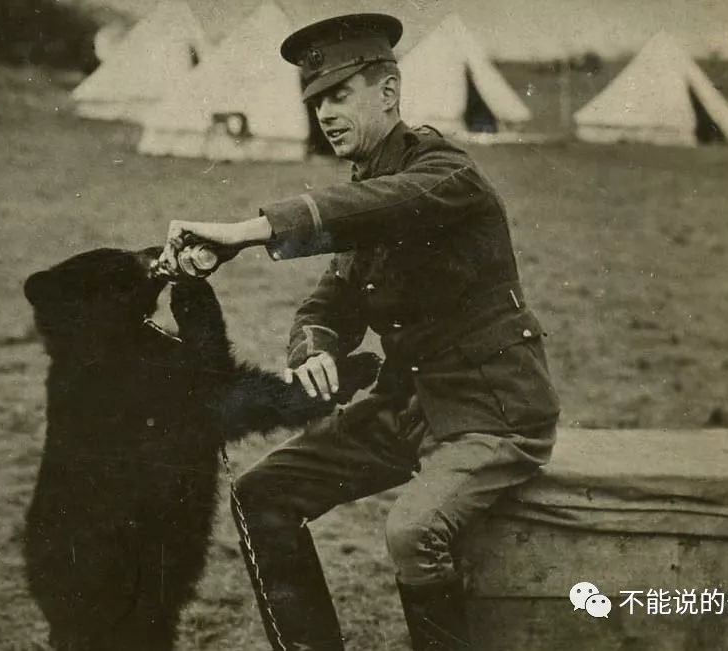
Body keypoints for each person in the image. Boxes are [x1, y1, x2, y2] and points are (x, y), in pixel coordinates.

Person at [159, 13, 561, 651]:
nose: (324, 112)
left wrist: (248, 229)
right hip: (410, 407)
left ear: (390, 92)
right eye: (316, 100)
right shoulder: (369, 186)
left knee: (413, 533)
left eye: (340, 94)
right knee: (260, 495)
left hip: (492, 411)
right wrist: (314, 346)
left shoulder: (446, 175)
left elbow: (374, 210)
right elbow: (331, 301)